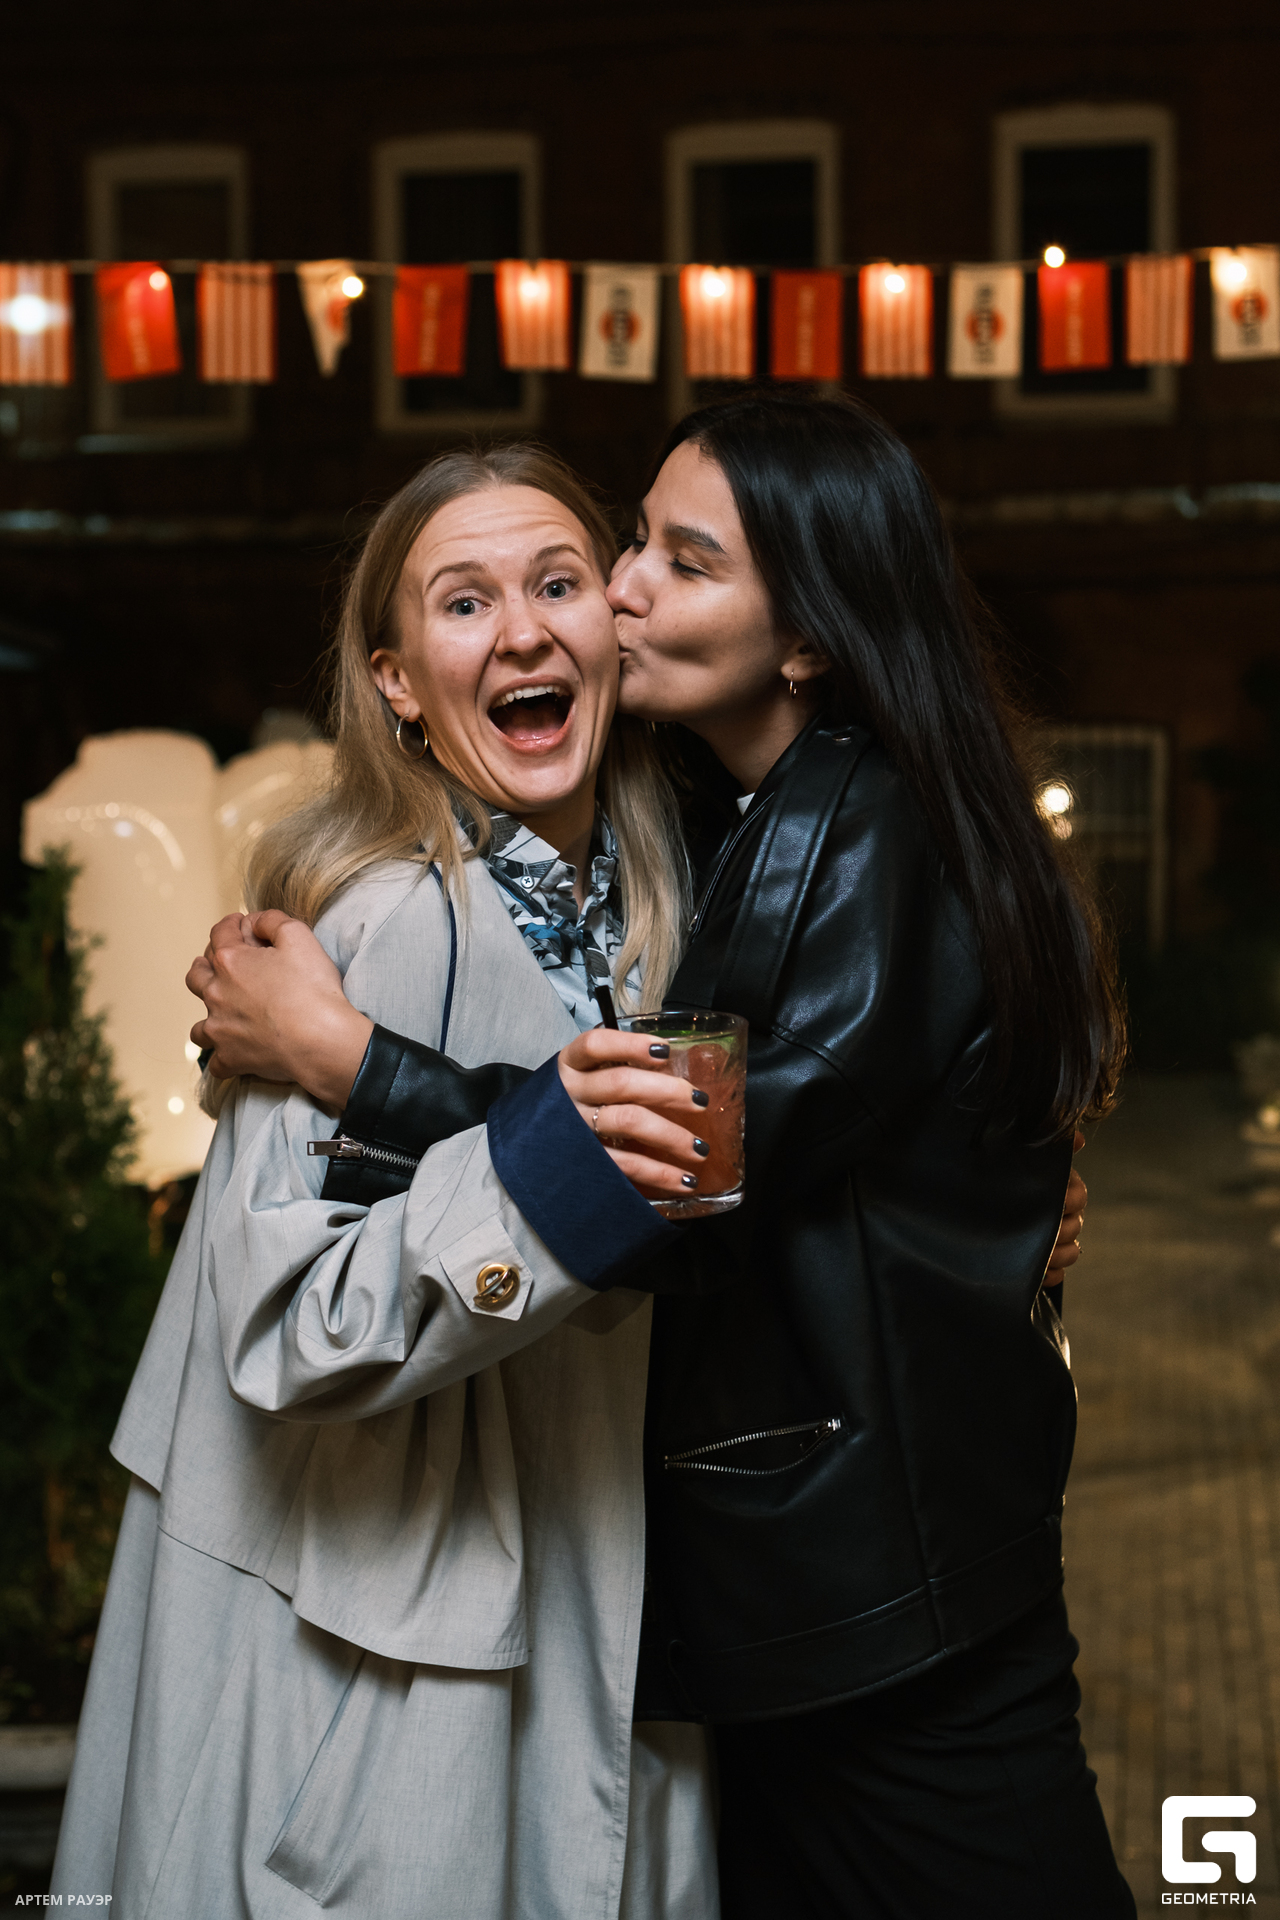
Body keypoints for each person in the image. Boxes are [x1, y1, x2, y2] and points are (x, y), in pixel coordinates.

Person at [186, 394, 1123, 1919]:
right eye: (630, 545)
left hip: (878, 1597)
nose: (616, 591)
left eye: (680, 565)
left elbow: (682, 1173)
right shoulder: (711, 825)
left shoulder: (853, 837)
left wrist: (354, 1064)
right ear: (391, 676)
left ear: (805, 639)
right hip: (801, 1587)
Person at [50, 445, 723, 1920]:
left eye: (557, 584)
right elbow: (291, 1323)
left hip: (601, 1608)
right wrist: (550, 1186)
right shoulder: (377, 923)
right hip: (380, 1664)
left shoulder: (663, 905)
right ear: (399, 682)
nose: (523, 631)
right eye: (465, 603)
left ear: (614, 626)